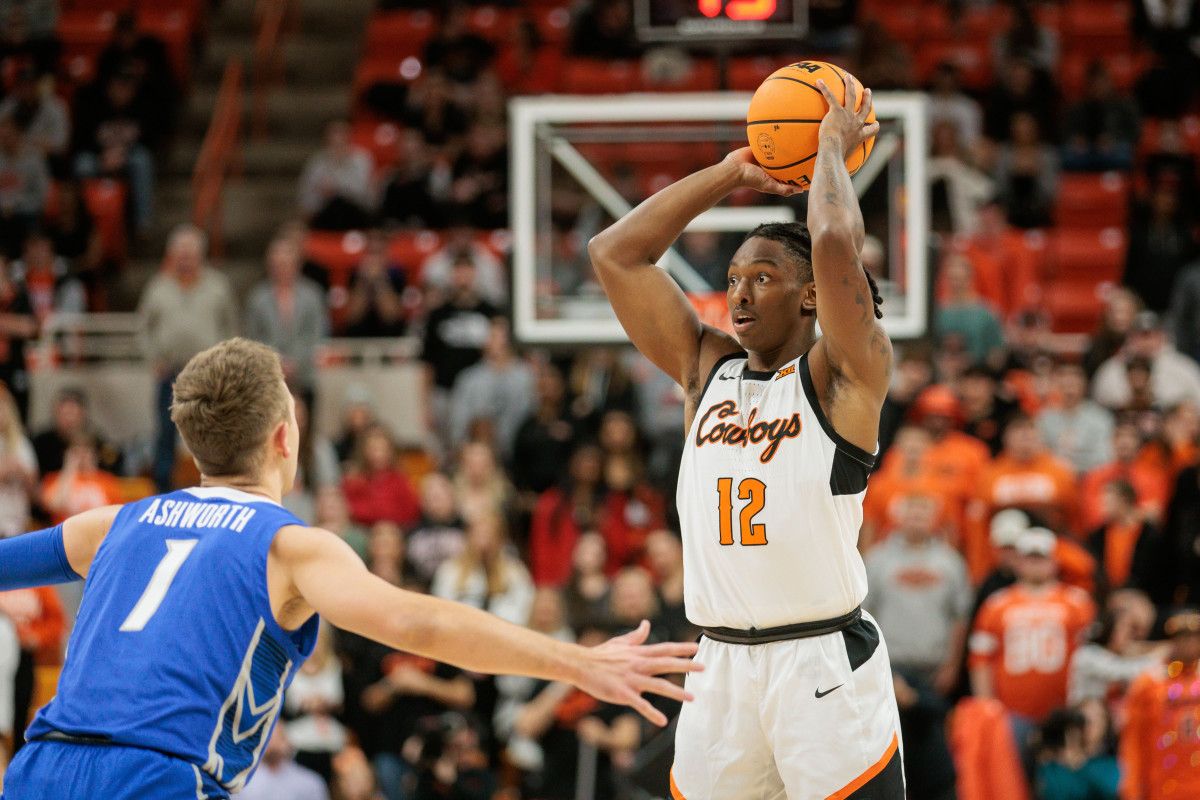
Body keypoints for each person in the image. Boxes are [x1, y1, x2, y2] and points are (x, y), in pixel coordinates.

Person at [0, 339, 701, 798]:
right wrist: (576, 663)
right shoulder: (289, 545)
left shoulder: (114, 523)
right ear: (285, 435)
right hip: (154, 776)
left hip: (38, 767)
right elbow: (413, 619)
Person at [590, 75, 903, 797]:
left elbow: (830, 236)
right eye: (733, 278)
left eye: (763, 278)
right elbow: (615, 253)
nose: (738, 293)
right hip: (722, 663)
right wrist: (732, 173)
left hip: (821, 662)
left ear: (813, 295)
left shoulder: (846, 375)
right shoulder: (708, 371)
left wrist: (828, 143)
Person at [137, 224, 238, 491]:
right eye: (180, 253)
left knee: (213, 430)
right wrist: (153, 358)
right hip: (170, 372)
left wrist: (225, 362)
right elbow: (143, 328)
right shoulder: (157, 287)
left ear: (201, 255)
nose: (185, 258)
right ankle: (163, 488)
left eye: (190, 253)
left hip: (209, 375)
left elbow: (231, 326)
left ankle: (217, 486)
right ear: (171, 255)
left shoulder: (219, 286)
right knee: (166, 433)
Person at [969, 528, 1096, 729]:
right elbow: (981, 660)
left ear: (1054, 561)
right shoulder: (996, 604)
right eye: (1030, 559)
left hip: (1065, 711)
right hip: (1011, 713)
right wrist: (988, 707)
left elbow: (1093, 656)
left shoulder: (1077, 602)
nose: (1036, 565)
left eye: (1041, 558)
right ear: (1018, 562)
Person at [864, 491, 972, 695]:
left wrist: (952, 667)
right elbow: (865, 616)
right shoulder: (876, 560)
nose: (917, 521)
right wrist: (876, 668)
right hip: (890, 667)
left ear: (934, 519)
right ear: (898, 518)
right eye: (912, 515)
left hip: (936, 670)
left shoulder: (951, 562)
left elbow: (960, 617)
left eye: (923, 515)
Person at [1119, 608, 1200, 800]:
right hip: (1162, 785)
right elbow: (1133, 739)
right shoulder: (1150, 683)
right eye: (1182, 637)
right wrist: (1132, 789)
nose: (1189, 643)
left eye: (1194, 637)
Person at [243, 235, 329, 408]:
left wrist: (296, 363)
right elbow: (252, 337)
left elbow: (317, 334)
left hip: (305, 375)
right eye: (277, 264)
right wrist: (278, 362)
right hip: (269, 377)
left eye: (286, 263)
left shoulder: (313, 295)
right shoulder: (257, 298)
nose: (281, 268)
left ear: (297, 264)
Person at [1037, 361, 1116, 474]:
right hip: (1056, 477)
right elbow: (1040, 452)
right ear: (1057, 385)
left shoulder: (1100, 417)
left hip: (1091, 475)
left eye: (1073, 384)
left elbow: (1105, 454)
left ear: (1084, 384)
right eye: (1065, 385)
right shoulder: (1045, 417)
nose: (1069, 390)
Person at [236, 726, 329, 800]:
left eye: (278, 736)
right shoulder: (239, 782)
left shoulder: (310, 782)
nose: (272, 742)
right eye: (267, 737)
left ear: (288, 741)